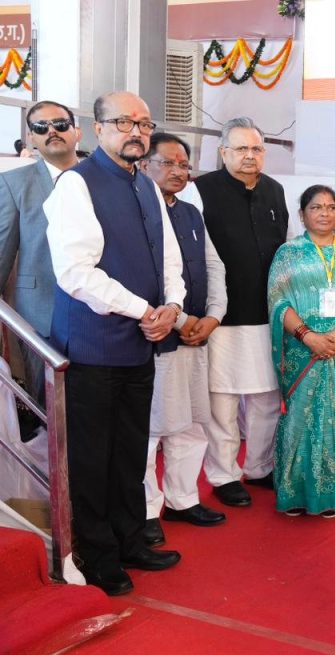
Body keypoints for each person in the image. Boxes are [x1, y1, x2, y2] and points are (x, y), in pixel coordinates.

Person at [43, 91, 186, 595]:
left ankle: (130, 539)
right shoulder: (75, 185)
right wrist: (145, 311)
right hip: (92, 347)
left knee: (130, 451)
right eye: (124, 121)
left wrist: (172, 307)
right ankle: (98, 553)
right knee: (92, 456)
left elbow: (169, 258)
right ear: (97, 128)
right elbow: (76, 273)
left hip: (140, 343)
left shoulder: (146, 185)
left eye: (145, 123)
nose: (137, 132)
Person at [138, 133, 227, 547]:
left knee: (193, 422)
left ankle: (183, 498)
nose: (178, 171)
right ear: (145, 164)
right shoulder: (136, 210)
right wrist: (184, 322)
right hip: (158, 339)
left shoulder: (191, 212)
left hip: (196, 337)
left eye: (184, 165)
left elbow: (213, 265)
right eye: (168, 162)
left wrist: (213, 316)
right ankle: (146, 509)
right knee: (152, 429)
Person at [195, 117, 288, 508]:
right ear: (223, 152)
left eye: (256, 149)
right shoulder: (200, 190)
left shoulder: (274, 190)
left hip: (267, 314)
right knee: (223, 403)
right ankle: (223, 474)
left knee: (267, 398)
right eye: (241, 149)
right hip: (221, 316)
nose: (250, 157)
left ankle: (259, 466)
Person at [268, 185, 335, 517]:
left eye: (331, 207)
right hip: (302, 351)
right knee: (299, 416)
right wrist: (307, 336)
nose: (326, 213)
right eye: (317, 207)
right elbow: (277, 301)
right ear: (302, 214)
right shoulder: (288, 253)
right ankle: (295, 491)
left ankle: (332, 493)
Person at [0, 101, 81, 408]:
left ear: (77, 132)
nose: (52, 132)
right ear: (31, 138)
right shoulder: (14, 184)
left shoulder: (98, 179)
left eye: (60, 125)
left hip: (101, 314)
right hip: (39, 315)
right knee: (47, 407)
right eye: (40, 127)